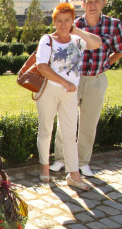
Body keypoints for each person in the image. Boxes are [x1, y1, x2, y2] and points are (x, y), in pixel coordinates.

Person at [50, 0, 122, 176]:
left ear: (104, 3)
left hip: (96, 81)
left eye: (97, 1)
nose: (92, 5)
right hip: (72, 80)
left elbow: (119, 50)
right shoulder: (73, 23)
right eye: (89, 1)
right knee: (65, 120)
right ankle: (60, 159)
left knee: (89, 123)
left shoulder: (114, 25)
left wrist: (105, 64)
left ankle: (82, 162)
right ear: (83, 3)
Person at [35, 3, 102, 190]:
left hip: (69, 94)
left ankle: (73, 175)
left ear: (73, 21)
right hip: (49, 89)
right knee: (46, 130)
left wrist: (77, 31)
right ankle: (45, 167)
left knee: (70, 135)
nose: (63, 25)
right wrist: (65, 83)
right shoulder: (47, 39)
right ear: (54, 22)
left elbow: (97, 43)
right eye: (59, 21)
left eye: (67, 21)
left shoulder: (77, 40)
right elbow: (42, 67)